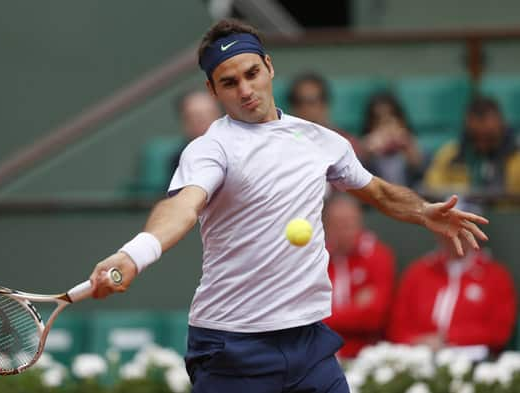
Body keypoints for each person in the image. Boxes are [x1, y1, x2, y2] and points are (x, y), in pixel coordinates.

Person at [89, 19, 489, 393]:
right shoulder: (211, 149)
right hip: (232, 346)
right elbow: (182, 207)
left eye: (252, 74)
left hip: (308, 342)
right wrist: (135, 254)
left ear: (269, 67)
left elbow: (380, 192)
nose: (245, 90)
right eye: (229, 83)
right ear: (213, 90)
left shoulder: (320, 141)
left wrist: (423, 211)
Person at [387, 232, 516, 354]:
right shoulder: (418, 272)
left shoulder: (496, 276)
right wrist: (419, 341)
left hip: (473, 361)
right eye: (447, 229)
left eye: (461, 231)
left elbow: (499, 332)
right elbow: (397, 328)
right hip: (417, 357)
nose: (454, 237)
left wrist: (449, 338)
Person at [322, 193, 395, 359]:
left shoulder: (378, 256)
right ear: (325, 226)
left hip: (364, 356)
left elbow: (373, 317)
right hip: (318, 355)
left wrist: (321, 315)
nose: (345, 231)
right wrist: (353, 308)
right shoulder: (315, 259)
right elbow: (302, 314)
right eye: (338, 225)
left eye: (350, 223)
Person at [424, 96, 520, 195]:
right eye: (475, 137)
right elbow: (432, 188)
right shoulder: (449, 155)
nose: (482, 144)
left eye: (489, 137)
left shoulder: (517, 156)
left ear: (502, 126)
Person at [288, 72, 365, 158]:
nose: (304, 108)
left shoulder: (344, 143)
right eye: (297, 102)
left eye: (310, 102)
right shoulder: (284, 142)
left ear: (324, 105)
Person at [361, 91, 425, 186]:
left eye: (391, 117)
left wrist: (408, 147)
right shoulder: (365, 147)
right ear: (370, 123)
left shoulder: (409, 144)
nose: (385, 123)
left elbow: (423, 174)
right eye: (378, 118)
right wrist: (367, 154)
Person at [169, 89, 222, 177]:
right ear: (185, 123)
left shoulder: (240, 149)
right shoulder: (179, 159)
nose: (203, 122)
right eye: (196, 117)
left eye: (209, 114)